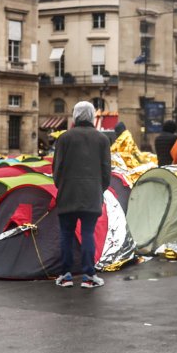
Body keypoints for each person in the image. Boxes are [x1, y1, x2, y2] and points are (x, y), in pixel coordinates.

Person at [51, 101, 110, 289]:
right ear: (92, 116)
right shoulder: (102, 139)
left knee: (66, 234)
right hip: (91, 193)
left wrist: (61, 185)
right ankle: (88, 276)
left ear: (75, 115)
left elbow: (57, 168)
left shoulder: (64, 138)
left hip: (68, 192)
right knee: (87, 233)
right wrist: (99, 188)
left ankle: (66, 275)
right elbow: (106, 171)